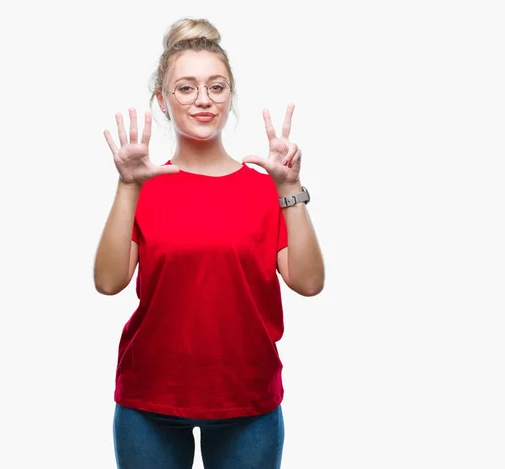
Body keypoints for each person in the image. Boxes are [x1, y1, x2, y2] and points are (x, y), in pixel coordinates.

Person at [94, 17, 325, 469]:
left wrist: (289, 189)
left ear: (229, 96)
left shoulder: (265, 188)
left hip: (248, 402)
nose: (203, 100)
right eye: (186, 88)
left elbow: (309, 282)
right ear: (162, 100)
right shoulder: (144, 187)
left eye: (216, 87)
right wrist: (126, 187)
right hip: (150, 399)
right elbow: (107, 282)